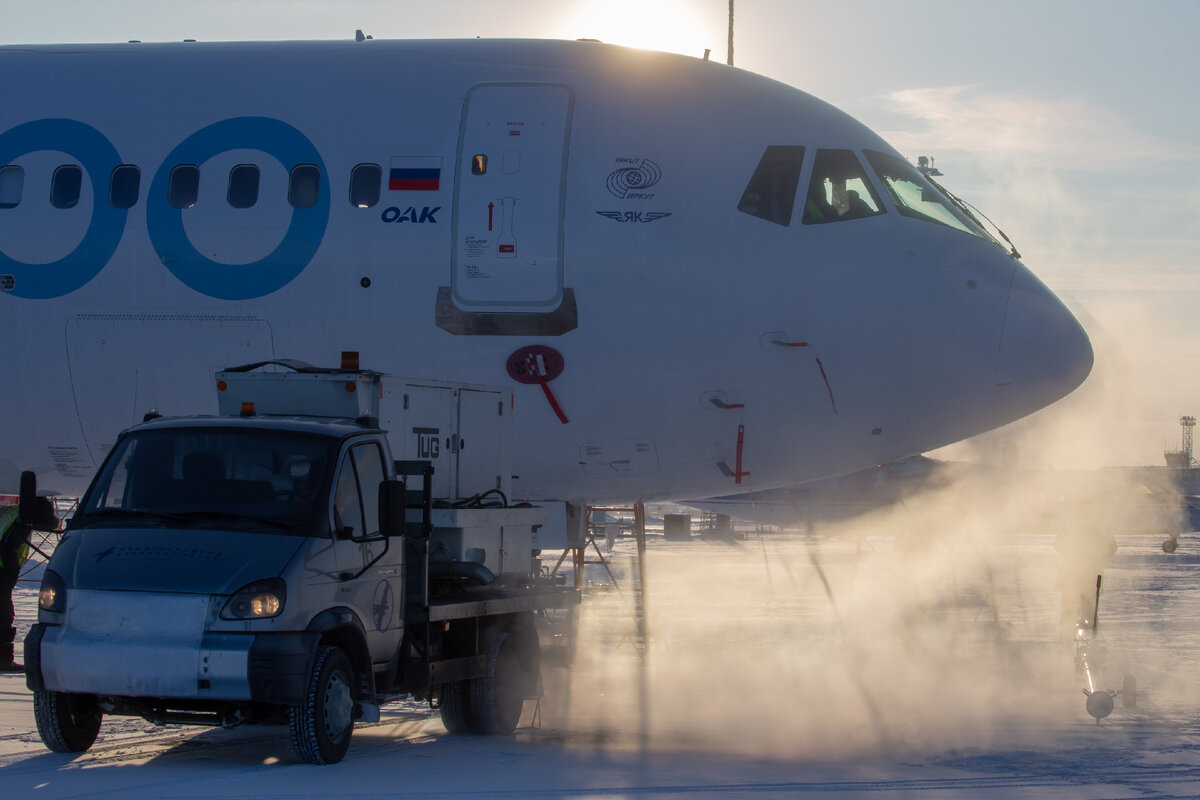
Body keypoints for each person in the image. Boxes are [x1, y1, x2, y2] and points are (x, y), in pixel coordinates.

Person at [1, 495, 58, 671]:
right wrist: (11, 572)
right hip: (1, 571)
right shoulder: (22, 522)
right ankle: (3, 660)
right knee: (4, 615)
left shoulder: (10, 513)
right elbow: (6, 547)